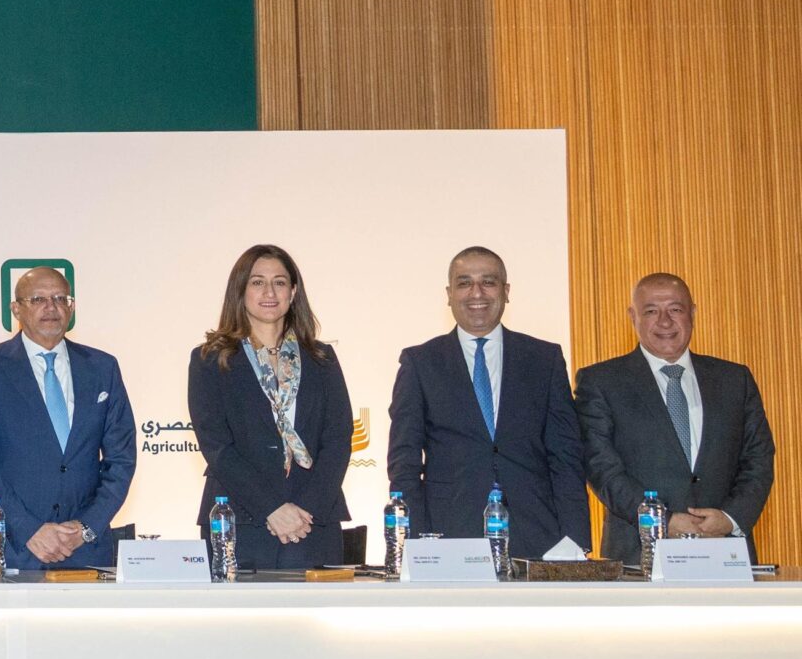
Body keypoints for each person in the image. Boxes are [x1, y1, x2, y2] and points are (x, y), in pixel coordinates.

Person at [385, 247, 591, 558]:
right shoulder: (420, 362)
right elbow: (404, 463)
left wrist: (575, 541)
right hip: (448, 535)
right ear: (449, 294)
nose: (476, 293)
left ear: (506, 291)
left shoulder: (544, 359)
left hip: (538, 537)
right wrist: (415, 544)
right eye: (464, 283)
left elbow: (566, 457)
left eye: (488, 282)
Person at [575, 272, 775, 559]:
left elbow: (759, 458)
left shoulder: (735, 379)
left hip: (725, 553)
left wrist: (731, 518)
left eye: (675, 309)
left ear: (693, 313)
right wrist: (661, 521)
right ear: (633, 317)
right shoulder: (600, 382)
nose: (665, 321)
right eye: (651, 311)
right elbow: (601, 467)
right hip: (638, 557)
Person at [0, 264, 137, 570]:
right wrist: (27, 529)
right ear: (16, 309)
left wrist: (86, 527)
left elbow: (121, 459)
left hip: (85, 549)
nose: (51, 307)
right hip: (12, 547)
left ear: (72, 307)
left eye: (60, 299)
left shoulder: (102, 367)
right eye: (38, 299)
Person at [186, 244, 352, 570]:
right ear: (240, 291)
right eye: (257, 282)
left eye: (279, 282)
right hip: (239, 521)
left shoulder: (321, 358)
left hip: (312, 522)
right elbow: (217, 446)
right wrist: (271, 507)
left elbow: (338, 439)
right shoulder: (209, 359)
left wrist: (305, 510)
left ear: (293, 291)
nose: (269, 292)